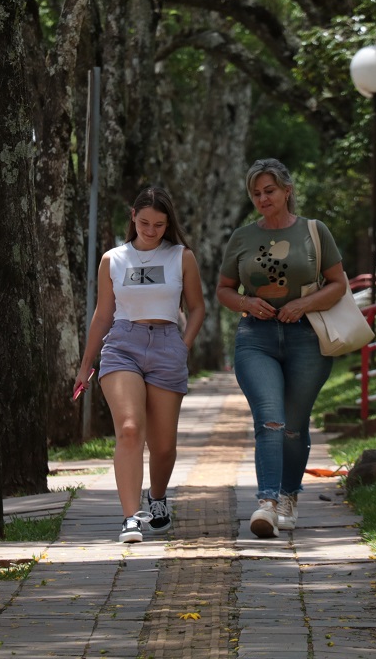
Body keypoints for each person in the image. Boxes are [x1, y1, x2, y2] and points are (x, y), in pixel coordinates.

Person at [216, 159, 348, 538]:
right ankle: (267, 504)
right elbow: (224, 289)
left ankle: (289, 495)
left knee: (293, 425)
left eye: (269, 191)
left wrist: (303, 304)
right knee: (270, 419)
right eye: (256, 193)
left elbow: (338, 283)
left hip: (307, 337)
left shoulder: (314, 231)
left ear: (287, 191)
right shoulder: (242, 237)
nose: (263, 199)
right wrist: (246, 303)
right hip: (255, 338)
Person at [76, 187, 206, 543]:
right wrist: (86, 364)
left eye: (159, 225)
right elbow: (103, 315)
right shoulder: (113, 259)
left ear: (168, 224)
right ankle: (130, 518)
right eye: (144, 222)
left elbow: (197, 308)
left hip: (167, 346)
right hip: (123, 345)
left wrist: (182, 346)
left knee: (163, 446)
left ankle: (158, 497)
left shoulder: (181, 257)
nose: (150, 230)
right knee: (130, 428)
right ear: (133, 216)